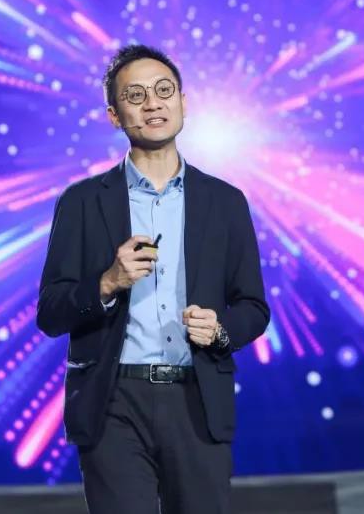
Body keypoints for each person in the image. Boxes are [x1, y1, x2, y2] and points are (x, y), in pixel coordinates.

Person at [36, 44, 270, 514]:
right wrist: (107, 282)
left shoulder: (225, 202)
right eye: (135, 95)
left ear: (184, 102)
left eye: (164, 91)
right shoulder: (82, 202)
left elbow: (253, 307)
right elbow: (51, 313)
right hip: (112, 400)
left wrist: (220, 330)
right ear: (114, 115)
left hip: (196, 397)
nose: (152, 104)